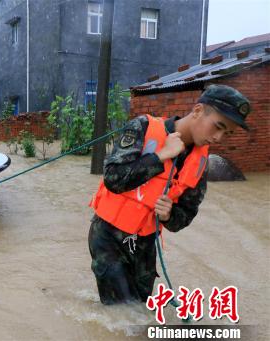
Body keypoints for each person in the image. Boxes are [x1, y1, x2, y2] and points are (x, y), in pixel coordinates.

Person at [88, 84, 251, 305]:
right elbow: (113, 179)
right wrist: (160, 156)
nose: (218, 138)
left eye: (227, 132)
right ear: (197, 111)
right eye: (218, 126)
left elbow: (183, 218)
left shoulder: (200, 164)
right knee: (122, 312)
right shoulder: (144, 127)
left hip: (144, 244)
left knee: (139, 307)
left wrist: (168, 215)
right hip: (108, 236)